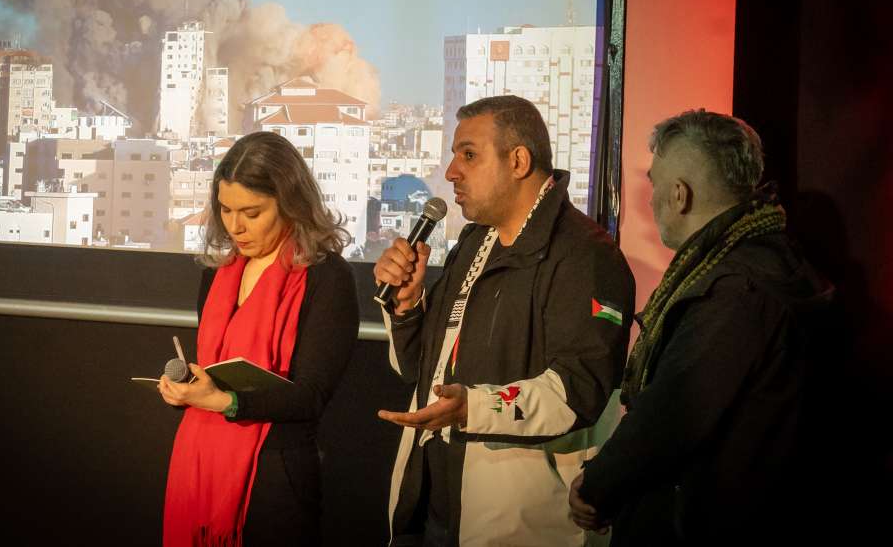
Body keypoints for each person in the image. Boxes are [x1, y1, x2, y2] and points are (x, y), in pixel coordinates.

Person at [374, 95, 636, 546]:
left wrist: (473, 408)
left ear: (518, 161)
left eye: (468, 155)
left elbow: (579, 388)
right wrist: (408, 306)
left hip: (512, 522)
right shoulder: (475, 242)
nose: (451, 172)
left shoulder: (586, 255)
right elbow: (421, 371)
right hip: (430, 498)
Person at [568, 110, 833, 545]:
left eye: (654, 185)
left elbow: (671, 415)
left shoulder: (734, 290)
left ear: (679, 195)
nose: (650, 201)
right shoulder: (771, 260)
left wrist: (597, 485)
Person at [158, 131, 359, 547]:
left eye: (252, 212)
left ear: (290, 204)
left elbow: (311, 397)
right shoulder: (217, 272)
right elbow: (213, 370)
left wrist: (226, 401)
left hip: (276, 476)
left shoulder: (327, 277)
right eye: (226, 209)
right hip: (199, 464)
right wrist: (188, 390)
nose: (235, 226)